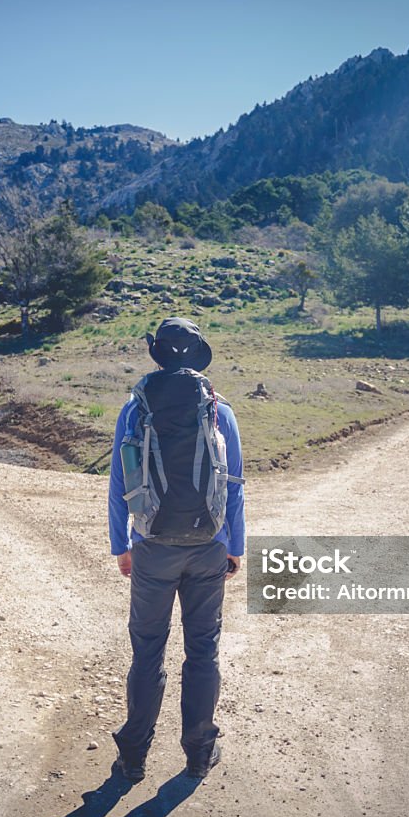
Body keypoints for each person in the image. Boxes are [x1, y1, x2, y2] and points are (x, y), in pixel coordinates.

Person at [107, 317, 246, 781]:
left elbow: (119, 484)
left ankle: (133, 758)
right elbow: (235, 486)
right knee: (202, 650)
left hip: (151, 546)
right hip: (208, 545)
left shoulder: (135, 408)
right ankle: (199, 753)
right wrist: (233, 545)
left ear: (157, 354)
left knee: (147, 651)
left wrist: (121, 545)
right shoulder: (218, 410)